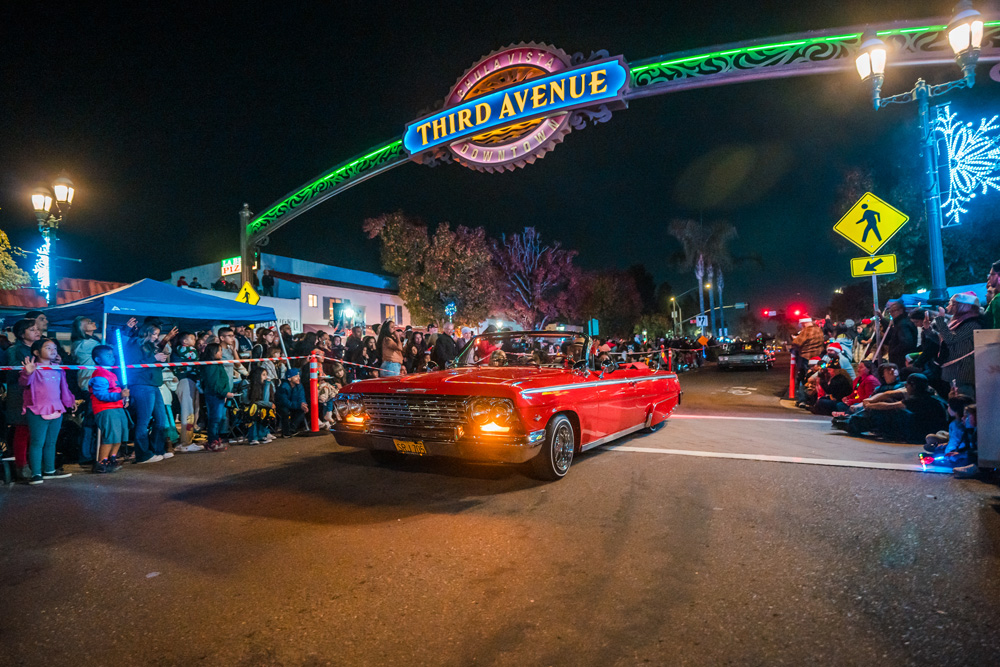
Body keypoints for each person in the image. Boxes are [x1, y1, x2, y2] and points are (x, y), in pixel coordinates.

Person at [20, 339, 76, 485]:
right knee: (37, 442)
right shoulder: (33, 368)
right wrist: (28, 372)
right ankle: (36, 473)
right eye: (48, 348)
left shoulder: (58, 368)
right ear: (36, 352)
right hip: (37, 409)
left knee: (51, 442)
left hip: (57, 408)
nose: (53, 350)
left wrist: (70, 401)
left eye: (55, 348)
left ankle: (50, 470)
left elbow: (64, 387)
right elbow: (24, 383)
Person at [842, 373, 948, 443]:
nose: (906, 387)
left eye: (907, 385)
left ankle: (855, 423)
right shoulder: (928, 393)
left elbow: (892, 406)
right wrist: (871, 401)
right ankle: (856, 421)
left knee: (889, 411)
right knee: (888, 403)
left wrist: (870, 406)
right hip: (926, 428)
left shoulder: (919, 398)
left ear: (913, 386)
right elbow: (889, 395)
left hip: (920, 434)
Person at [126, 323, 173, 464]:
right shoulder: (134, 344)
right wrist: (154, 359)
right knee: (143, 421)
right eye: (154, 334)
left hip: (154, 384)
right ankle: (142, 454)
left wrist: (160, 360)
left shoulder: (152, 346)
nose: (156, 337)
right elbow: (133, 365)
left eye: (157, 334)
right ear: (145, 333)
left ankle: (157, 449)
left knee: (161, 420)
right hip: (141, 385)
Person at [6, 319, 42, 479]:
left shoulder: (39, 349)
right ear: (21, 334)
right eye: (32, 329)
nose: (37, 331)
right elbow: (11, 372)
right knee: (23, 430)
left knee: (35, 432)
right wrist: (26, 370)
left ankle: (36, 466)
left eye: (37, 329)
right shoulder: (14, 350)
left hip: (37, 394)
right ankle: (22, 466)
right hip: (19, 394)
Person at [88, 345, 130, 473]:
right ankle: (101, 462)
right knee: (111, 436)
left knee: (120, 435)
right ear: (98, 359)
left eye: (112, 355)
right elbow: (101, 394)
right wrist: (119, 395)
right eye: (108, 355)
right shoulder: (99, 374)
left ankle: (112, 458)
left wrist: (123, 399)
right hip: (106, 409)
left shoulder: (111, 374)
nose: (112, 358)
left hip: (117, 407)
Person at [931, 291, 982, 398]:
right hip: (953, 371)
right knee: (954, 403)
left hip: (962, 373)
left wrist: (940, 320)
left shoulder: (972, 323)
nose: (950, 307)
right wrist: (927, 330)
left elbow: (950, 339)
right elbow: (943, 340)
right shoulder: (956, 321)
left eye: (954, 304)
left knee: (963, 402)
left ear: (964, 306)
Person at [171, 332, 202, 451]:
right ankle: (186, 443)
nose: (195, 341)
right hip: (186, 380)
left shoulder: (180, 351)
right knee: (188, 411)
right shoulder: (187, 351)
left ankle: (187, 440)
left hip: (189, 380)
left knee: (190, 410)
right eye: (193, 338)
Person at [199, 343, 234, 451]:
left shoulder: (217, 364)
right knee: (215, 418)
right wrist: (224, 393)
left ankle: (215, 439)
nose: (221, 353)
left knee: (219, 418)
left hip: (219, 395)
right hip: (214, 395)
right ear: (213, 352)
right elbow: (213, 383)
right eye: (219, 351)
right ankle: (212, 441)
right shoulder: (211, 365)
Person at [880, 299, 918, 368]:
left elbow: (906, 342)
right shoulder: (900, 323)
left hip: (901, 360)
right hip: (901, 358)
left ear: (901, 310)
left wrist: (893, 352)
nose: (891, 313)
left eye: (893, 311)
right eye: (890, 311)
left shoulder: (903, 324)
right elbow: (892, 334)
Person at [244, 366, 276, 445]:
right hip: (250, 407)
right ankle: (254, 437)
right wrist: (268, 404)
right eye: (264, 375)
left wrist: (268, 385)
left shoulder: (266, 385)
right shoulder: (250, 386)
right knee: (255, 412)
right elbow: (252, 401)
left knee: (265, 411)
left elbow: (268, 399)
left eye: (266, 374)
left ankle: (263, 434)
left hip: (261, 406)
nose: (266, 377)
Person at [275, 367, 307, 437]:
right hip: (282, 405)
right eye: (295, 376)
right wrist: (299, 405)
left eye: (298, 376)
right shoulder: (284, 387)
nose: (298, 378)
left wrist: (303, 404)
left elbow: (301, 397)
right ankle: (286, 432)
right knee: (285, 411)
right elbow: (285, 402)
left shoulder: (299, 386)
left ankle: (292, 429)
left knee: (302, 410)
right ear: (289, 378)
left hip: (293, 404)